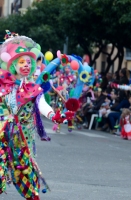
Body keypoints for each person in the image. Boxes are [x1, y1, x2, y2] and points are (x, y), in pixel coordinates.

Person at [0, 32, 70, 199]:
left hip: (22, 139)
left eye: (28, 62)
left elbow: (41, 104)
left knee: (25, 174)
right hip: (2, 136)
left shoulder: (32, 87)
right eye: (22, 61)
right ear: (14, 64)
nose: (25, 65)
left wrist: (54, 115)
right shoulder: (3, 85)